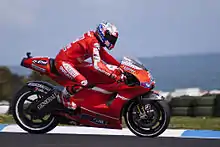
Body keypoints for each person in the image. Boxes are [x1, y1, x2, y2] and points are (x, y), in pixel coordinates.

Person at [54, 21, 127, 110]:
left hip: (75, 63)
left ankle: (82, 100)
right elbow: (98, 65)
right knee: (83, 82)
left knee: (91, 75)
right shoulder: (93, 42)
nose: (111, 41)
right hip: (64, 62)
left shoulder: (95, 40)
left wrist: (121, 66)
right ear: (103, 33)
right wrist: (113, 76)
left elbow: (106, 57)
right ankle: (63, 96)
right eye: (110, 38)